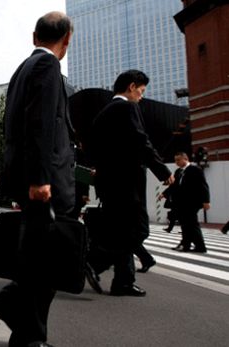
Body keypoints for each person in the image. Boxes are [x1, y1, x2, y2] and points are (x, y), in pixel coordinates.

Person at [0, 12, 75, 347]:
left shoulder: (21, 70)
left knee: (38, 259)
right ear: (66, 39)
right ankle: (23, 323)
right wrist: (40, 178)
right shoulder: (47, 67)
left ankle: (25, 335)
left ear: (34, 36)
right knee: (46, 262)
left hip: (31, 179)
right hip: (46, 182)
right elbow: (42, 124)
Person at [88, 70, 174, 295]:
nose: (142, 96)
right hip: (125, 182)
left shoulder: (102, 113)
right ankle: (94, 263)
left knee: (121, 231)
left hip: (107, 183)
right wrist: (162, 170)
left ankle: (123, 282)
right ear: (131, 86)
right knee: (137, 230)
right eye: (141, 91)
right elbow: (140, 140)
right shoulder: (126, 107)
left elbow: (93, 150)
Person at [161, 152, 210, 252]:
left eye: (178, 160)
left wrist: (206, 201)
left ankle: (200, 246)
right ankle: (187, 245)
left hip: (192, 202)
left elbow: (203, 185)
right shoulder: (178, 172)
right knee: (185, 224)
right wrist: (164, 194)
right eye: (175, 160)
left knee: (192, 224)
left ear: (185, 159)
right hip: (181, 203)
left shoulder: (195, 170)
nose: (176, 162)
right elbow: (173, 186)